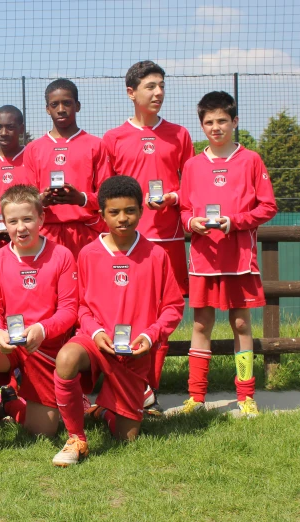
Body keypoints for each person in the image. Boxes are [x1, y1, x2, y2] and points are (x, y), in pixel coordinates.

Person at [51, 176, 184, 466]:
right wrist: (96, 332)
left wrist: (150, 336)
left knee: (127, 437)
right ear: (102, 214)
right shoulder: (88, 253)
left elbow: (173, 306)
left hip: (134, 352)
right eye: (114, 212)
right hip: (95, 341)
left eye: (130, 211)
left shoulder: (157, 255)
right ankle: (76, 437)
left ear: (141, 211)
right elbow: (81, 306)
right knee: (66, 358)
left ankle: (104, 411)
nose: (122, 218)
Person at [0, 184, 79, 461]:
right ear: (3, 223)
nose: (21, 228)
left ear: (41, 219)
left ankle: (9, 404)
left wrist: (43, 329)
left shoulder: (62, 256)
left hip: (44, 347)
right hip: (9, 345)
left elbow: (69, 310)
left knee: (42, 431)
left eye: (27, 219)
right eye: (13, 221)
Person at [102, 61, 195, 414]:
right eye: (150, 87)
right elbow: (106, 193)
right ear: (131, 93)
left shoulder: (180, 134)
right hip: (128, 241)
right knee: (127, 310)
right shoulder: (113, 138)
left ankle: (147, 388)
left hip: (168, 239)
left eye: (161, 86)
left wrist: (174, 196)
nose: (158, 93)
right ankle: (125, 385)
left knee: (164, 314)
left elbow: (192, 183)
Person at [180, 91, 278, 418]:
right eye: (209, 121)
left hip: (240, 260)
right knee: (202, 324)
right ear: (202, 125)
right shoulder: (193, 165)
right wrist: (191, 221)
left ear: (235, 122)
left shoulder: (251, 160)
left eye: (222, 120)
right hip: (204, 260)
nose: (216, 127)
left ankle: (246, 395)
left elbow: (268, 207)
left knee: (240, 323)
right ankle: (196, 396)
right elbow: (183, 211)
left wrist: (234, 222)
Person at [23, 79, 110, 258]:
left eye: (67, 103)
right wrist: (41, 200)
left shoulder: (96, 145)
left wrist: (81, 199)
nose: (61, 109)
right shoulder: (33, 148)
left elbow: (106, 195)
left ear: (77, 106)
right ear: (47, 109)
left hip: (86, 231)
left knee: (87, 285)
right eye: (54, 104)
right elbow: (26, 198)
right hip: (46, 232)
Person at [0, 105, 35, 255]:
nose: (3, 133)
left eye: (10, 127)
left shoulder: (32, 157)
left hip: (27, 238)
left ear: (21, 128)